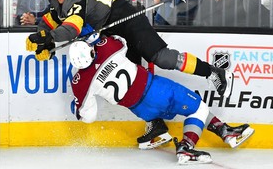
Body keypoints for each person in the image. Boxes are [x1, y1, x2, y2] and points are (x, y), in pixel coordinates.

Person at [25, 0, 235, 149]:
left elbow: (72, 28)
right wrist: (46, 38)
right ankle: (157, 126)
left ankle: (213, 71)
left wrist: (47, 38)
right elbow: (50, 19)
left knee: (160, 57)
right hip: (109, 30)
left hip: (124, 18)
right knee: (133, 83)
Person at [68, 35, 255, 164]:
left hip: (140, 109)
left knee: (191, 108)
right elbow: (123, 41)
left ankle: (160, 130)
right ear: (90, 50)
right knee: (198, 108)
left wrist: (79, 110)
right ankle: (187, 148)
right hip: (156, 91)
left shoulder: (80, 82)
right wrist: (95, 39)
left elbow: (89, 116)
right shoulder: (107, 47)